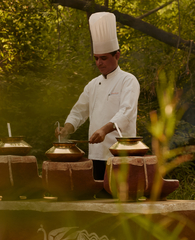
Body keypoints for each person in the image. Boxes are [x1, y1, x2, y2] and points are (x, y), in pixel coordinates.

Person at [56, 12, 140, 191]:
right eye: (96, 58)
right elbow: (79, 110)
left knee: (119, 200)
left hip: (121, 155)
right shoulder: (93, 85)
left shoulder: (128, 80)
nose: (99, 63)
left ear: (117, 55)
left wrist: (103, 129)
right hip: (95, 155)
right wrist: (67, 128)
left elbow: (126, 112)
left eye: (104, 58)